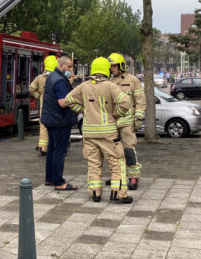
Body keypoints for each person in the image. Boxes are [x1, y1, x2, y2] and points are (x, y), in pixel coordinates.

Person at [60, 57, 132, 203]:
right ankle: (118, 193)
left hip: (89, 133)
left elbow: (68, 100)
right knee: (117, 163)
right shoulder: (110, 86)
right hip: (108, 133)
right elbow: (126, 102)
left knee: (93, 164)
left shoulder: (84, 86)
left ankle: (95, 194)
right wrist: (117, 114)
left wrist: (82, 110)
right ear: (106, 69)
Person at [108, 52, 145, 190]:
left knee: (128, 150)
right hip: (112, 123)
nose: (112, 68)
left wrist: (139, 117)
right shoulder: (109, 82)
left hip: (126, 122)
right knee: (114, 152)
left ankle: (133, 177)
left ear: (121, 65)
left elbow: (140, 100)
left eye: (114, 66)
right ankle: (118, 176)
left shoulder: (132, 80)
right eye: (111, 66)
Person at [41, 55, 78, 190]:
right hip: (60, 121)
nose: (70, 69)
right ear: (61, 66)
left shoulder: (52, 77)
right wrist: (76, 98)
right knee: (60, 152)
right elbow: (62, 103)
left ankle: (49, 179)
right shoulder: (60, 81)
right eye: (68, 67)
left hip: (51, 120)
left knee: (51, 149)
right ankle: (59, 182)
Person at [29, 54, 58, 156]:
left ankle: (43, 148)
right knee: (55, 126)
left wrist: (38, 96)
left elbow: (31, 88)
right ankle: (54, 146)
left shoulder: (40, 77)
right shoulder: (57, 78)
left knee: (44, 126)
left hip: (43, 107)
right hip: (55, 107)